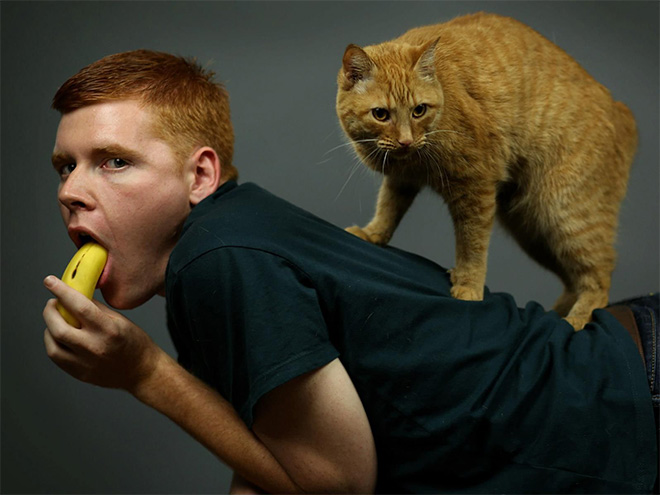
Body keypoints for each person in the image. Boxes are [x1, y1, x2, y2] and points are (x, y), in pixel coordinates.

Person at [42, 50, 658, 494]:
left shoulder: (217, 261)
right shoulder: (235, 229)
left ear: (200, 175)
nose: (72, 190)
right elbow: (278, 455)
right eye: (64, 167)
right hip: (627, 359)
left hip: (628, 392)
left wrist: (145, 371)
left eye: (114, 162)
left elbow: (336, 485)